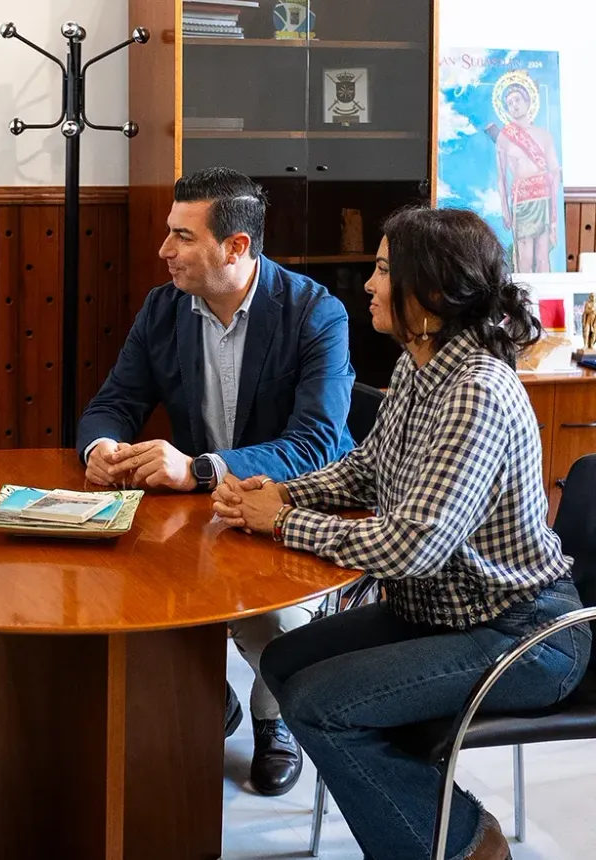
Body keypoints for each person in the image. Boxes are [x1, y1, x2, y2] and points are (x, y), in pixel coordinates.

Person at [213, 206, 591, 859]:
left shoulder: (476, 389)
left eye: (385, 269)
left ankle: (460, 842)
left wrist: (285, 520)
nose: (368, 283)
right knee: (283, 662)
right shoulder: (422, 365)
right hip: (440, 615)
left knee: (322, 706)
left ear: (433, 293)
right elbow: (366, 471)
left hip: (521, 634)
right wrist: (280, 493)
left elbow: (414, 547)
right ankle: (425, 810)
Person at [77, 166, 355, 796]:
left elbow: (314, 445)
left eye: (181, 236)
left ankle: (272, 719)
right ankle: (209, 697)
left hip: (294, 505)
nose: (163, 250)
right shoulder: (163, 307)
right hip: (201, 510)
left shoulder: (317, 313)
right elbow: (114, 402)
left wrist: (199, 469)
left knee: (278, 625)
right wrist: (101, 446)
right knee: (117, 594)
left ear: (236, 248)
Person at [491, 76, 561, 273]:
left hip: (544, 198)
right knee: (525, 255)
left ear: (528, 102)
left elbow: (555, 170)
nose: (514, 106)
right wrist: (505, 209)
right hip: (522, 200)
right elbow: (501, 177)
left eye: (517, 100)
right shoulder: (504, 138)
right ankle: (525, 302)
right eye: (509, 103)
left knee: (542, 255)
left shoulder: (545, 135)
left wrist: (552, 202)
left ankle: (544, 302)